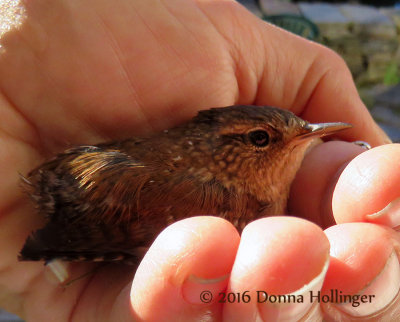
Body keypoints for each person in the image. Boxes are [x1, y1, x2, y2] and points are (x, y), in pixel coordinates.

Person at [0, 0, 398, 320]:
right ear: (227, 153)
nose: (308, 138)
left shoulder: (227, 183)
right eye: (261, 139)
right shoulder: (238, 203)